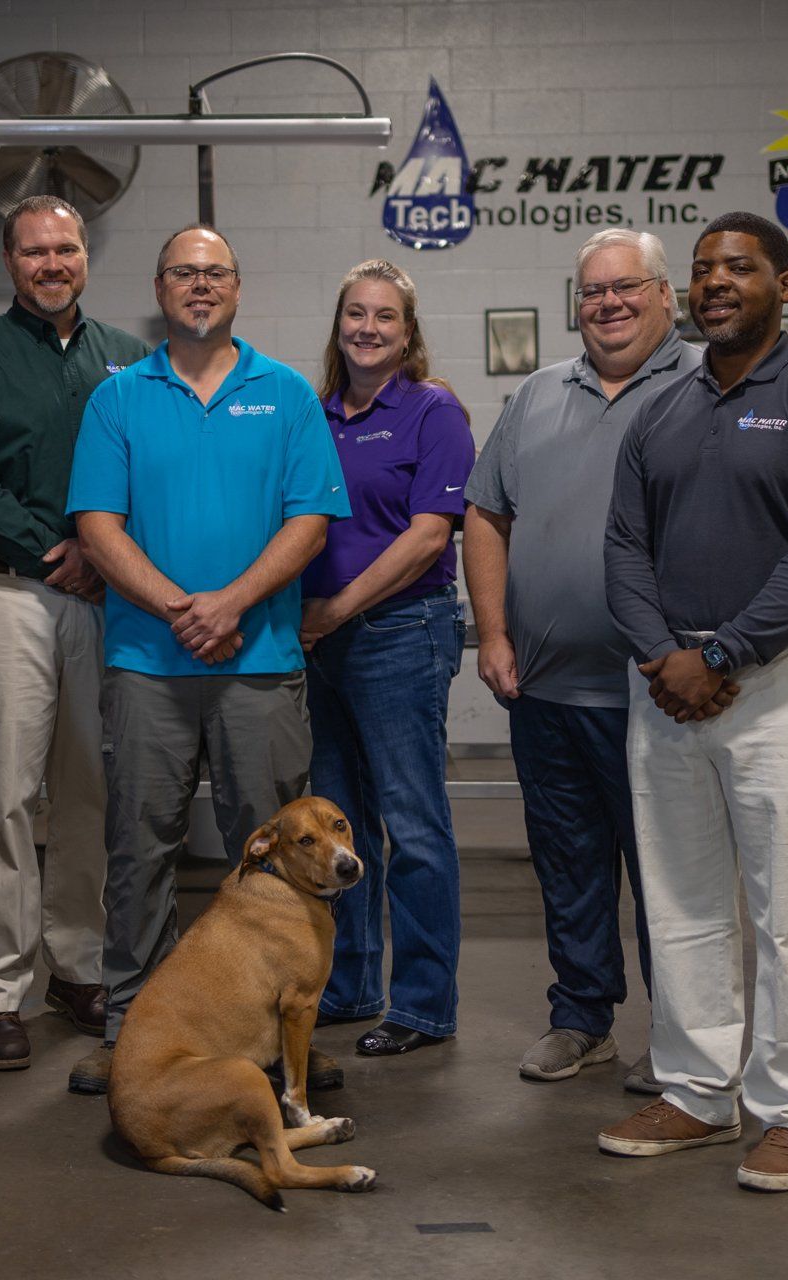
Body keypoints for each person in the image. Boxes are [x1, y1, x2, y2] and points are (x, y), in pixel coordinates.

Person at [597, 211, 788, 1193]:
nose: (718, 282)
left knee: (786, 910)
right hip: (669, 694)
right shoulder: (663, 411)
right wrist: (664, 655)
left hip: (784, 689)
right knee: (679, 903)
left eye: (740, 268)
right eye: (706, 269)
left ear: (784, 287)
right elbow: (623, 546)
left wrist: (721, 650)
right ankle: (696, 1090)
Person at [62, 224, 351, 1095]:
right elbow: (97, 527)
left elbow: (310, 520)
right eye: (183, 273)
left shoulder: (288, 393)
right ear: (159, 289)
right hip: (149, 663)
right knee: (138, 848)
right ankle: (131, 1030)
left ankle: (281, 1028)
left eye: (215, 273)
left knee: (284, 854)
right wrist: (178, 608)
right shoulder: (118, 399)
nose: (199, 285)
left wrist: (228, 604)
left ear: (237, 288)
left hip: (258, 659)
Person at [464, 228, 700, 1090]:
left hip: (662, 696)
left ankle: (683, 1038)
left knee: (671, 877)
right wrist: (492, 633)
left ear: (666, 295)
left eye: (626, 287)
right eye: (592, 291)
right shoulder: (536, 395)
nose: (608, 304)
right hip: (549, 689)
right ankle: (582, 1018)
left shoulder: (703, 387)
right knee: (568, 864)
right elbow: (485, 514)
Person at [0, 195, 150, 1072]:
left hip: (106, 599)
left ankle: (78, 965)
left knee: (90, 792)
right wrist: (60, 549)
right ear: (9, 262)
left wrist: (107, 557)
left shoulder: (127, 360)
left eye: (65, 249)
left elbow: (147, 469)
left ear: (85, 255)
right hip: (10, 592)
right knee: (6, 798)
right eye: (33, 252)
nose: (51, 264)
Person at [297, 260, 473, 1057]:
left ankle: (424, 1005)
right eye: (355, 314)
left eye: (386, 317)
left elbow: (430, 536)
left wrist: (335, 609)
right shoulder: (316, 414)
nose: (368, 328)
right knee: (339, 828)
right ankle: (352, 985)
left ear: (409, 332)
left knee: (413, 823)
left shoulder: (432, 413)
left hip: (402, 632)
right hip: (322, 646)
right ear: (338, 325)